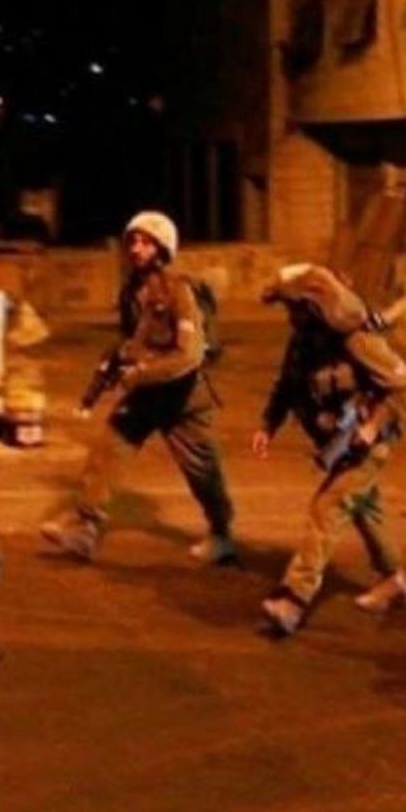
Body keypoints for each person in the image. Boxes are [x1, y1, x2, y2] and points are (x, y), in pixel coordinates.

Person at [41, 211, 235, 564]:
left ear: (162, 249)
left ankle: (222, 533)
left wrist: (140, 374)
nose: (135, 248)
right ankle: (85, 529)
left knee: (202, 471)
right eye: (132, 241)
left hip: (183, 396)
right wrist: (99, 383)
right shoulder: (132, 292)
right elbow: (129, 342)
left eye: (146, 242)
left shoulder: (179, 290)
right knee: (108, 450)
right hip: (147, 394)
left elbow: (189, 354)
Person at [251, 264, 406, 636]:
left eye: (295, 308)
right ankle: (393, 579)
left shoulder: (357, 341)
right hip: (337, 443)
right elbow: (287, 385)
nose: (290, 315)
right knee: (365, 508)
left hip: (369, 443)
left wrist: (372, 427)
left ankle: (293, 599)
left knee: (327, 509)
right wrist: (268, 425)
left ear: (313, 306)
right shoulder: (303, 341)